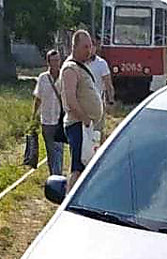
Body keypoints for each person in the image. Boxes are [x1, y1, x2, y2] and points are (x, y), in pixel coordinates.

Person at [58, 29, 103, 189]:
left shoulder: (82, 67)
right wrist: (85, 119)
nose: (89, 50)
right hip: (78, 125)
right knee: (77, 168)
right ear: (74, 47)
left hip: (86, 126)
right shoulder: (70, 69)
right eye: (85, 46)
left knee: (86, 167)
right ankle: (69, 199)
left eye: (90, 46)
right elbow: (70, 100)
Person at [33, 49, 65, 176]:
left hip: (60, 119)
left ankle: (57, 175)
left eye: (57, 60)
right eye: (53, 61)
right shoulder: (43, 78)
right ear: (48, 62)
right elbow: (38, 98)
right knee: (50, 150)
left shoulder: (64, 77)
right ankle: (53, 174)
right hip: (46, 120)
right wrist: (33, 115)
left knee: (59, 148)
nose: (56, 63)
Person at [89, 37, 115, 136]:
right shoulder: (78, 62)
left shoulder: (101, 63)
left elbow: (108, 83)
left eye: (92, 46)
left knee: (97, 132)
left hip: (97, 102)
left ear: (96, 48)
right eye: (87, 46)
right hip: (82, 103)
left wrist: (111, 100)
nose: (90, 49)